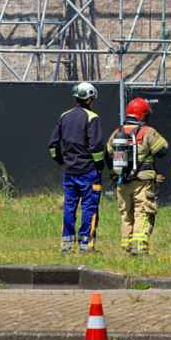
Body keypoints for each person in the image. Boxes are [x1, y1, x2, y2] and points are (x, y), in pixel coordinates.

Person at [105, 98, 169, 256]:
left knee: (126, 215)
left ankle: (127, 250)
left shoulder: (116, 133)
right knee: (142, 212)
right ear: (143, 114)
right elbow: (162, 150)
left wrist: (114, 178)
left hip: (122, 182)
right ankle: (139, 250)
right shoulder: (147, 131)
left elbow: (108, 157)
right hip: (142, 182)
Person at [48, 82, 105, 254]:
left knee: (69, 208)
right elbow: (96, 147)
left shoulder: (64, 116)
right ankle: (86, 248)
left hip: (70, 172)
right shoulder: (92, 118)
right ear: (89, 98)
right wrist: (99, 167)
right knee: (89, 208)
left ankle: (66, 247)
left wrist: (61, 162)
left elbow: (52, 144)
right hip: (89, 172)